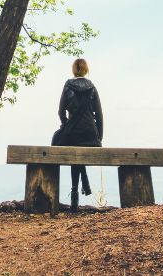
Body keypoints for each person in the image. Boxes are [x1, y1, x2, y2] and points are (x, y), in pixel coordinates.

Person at [52, 57, 103, 211]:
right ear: (86, 69)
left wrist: (65, 124)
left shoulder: (68, 86)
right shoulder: (92, 88)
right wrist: (99, 136)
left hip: (73, 132)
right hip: (90, 134)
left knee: (73, 147)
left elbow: (61, 111)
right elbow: (99, 115)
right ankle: (83, 186)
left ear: (74, 70)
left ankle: (75, 193)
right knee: (78, 152)